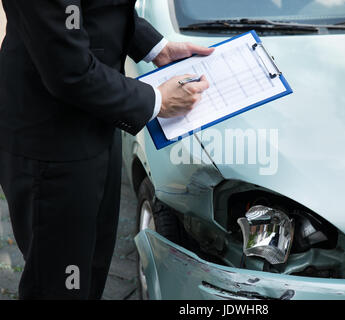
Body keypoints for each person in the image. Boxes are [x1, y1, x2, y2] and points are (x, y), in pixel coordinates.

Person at [0, 0, 213, 299]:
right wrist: (158, 101)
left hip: (98, 122)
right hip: (51, 143)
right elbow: (68, 68)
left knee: (90, 272)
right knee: (58, 285)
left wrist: (156, 47)